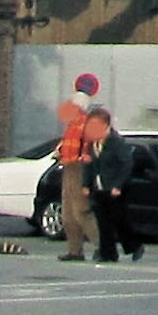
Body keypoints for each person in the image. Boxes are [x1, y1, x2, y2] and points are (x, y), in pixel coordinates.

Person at [84, 107, 137, 264]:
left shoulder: (116, 142)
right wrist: (86, 184)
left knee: (117, 221)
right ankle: (108, 253)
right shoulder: (93, 143)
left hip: (113, 188)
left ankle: (134, 247)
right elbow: (89, 165)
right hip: (99, 188)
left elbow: (126, 164)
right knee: (102, 222)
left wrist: (118, 185)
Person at [54, 76, 98, 260]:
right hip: (68, 165)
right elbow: (67, 143)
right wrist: (60, 153)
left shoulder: (86, 123)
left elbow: (92, 147)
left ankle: (102, 246)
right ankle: (75, 250)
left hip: (79, 168)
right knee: (68, 213)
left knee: (81, 210)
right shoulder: (72, 124)